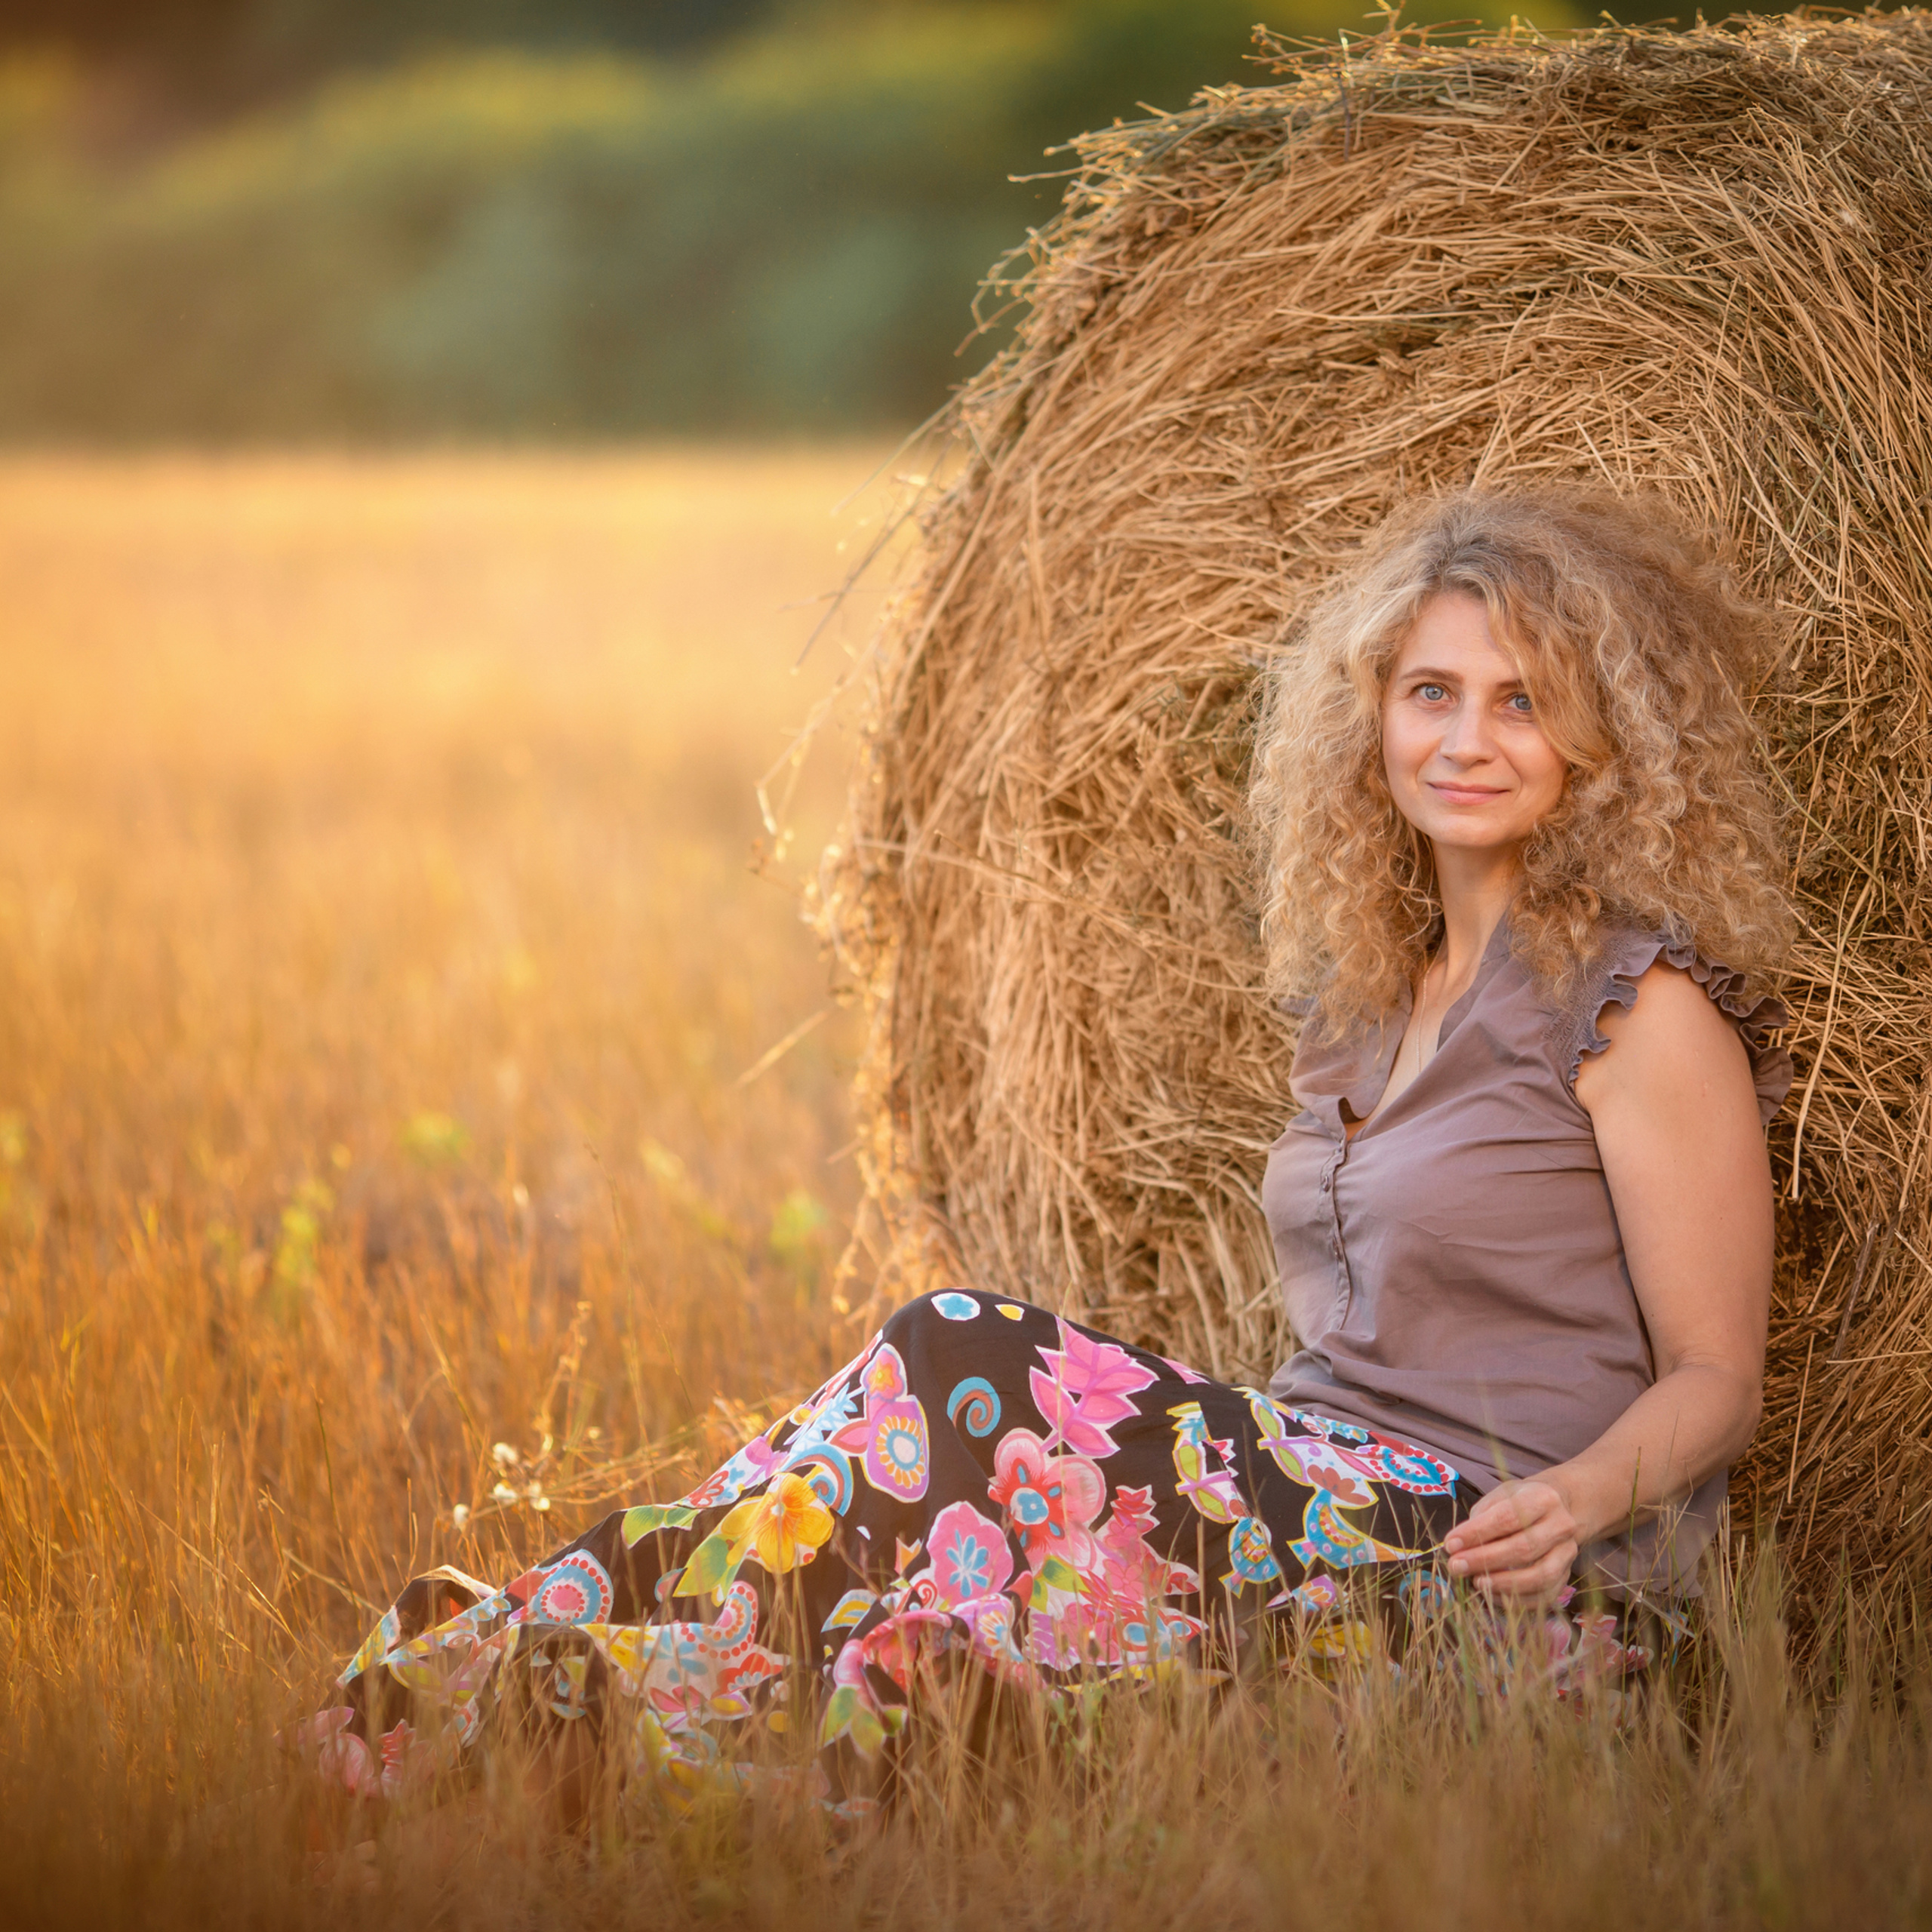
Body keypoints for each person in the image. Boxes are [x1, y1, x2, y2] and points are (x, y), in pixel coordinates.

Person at [297, 488, 1793, 1817]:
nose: (1465, 738)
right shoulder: (1364, 1006)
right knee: (952, 1593)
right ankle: (567, 1663)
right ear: (1371, 717)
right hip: (1313, 1502)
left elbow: (1715, 1373)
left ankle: (543, 1657)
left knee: (960, 1352)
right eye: (1429, 691)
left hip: (1495, 1561)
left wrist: (1582, 1499)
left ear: (1597, 741)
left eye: (1519, 701)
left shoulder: (1633, 1009)